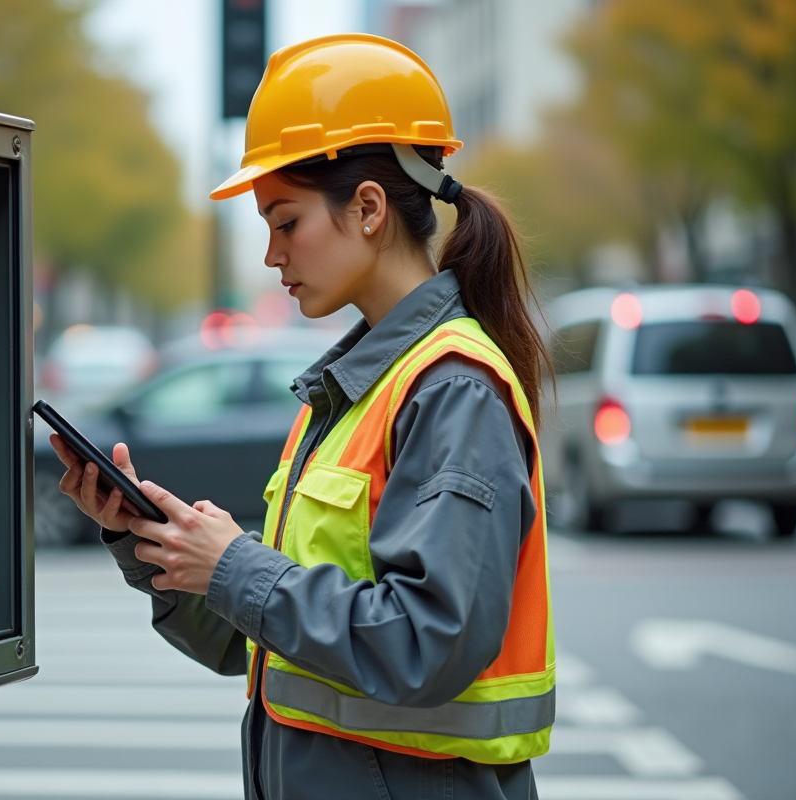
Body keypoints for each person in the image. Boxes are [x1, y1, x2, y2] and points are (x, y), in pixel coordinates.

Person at [51, 33, 555, 800]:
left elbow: (426, 644)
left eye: (285, 222)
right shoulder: (354, 392)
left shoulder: (452, 389)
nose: (271, 255)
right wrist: (155, 544)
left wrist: (236, 565)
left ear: (368, 208)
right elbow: (262, 645)